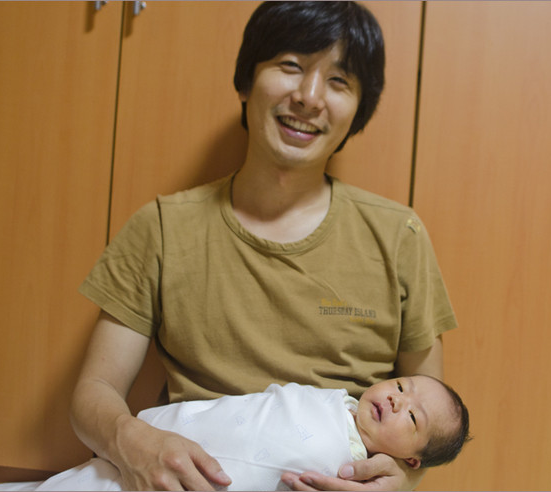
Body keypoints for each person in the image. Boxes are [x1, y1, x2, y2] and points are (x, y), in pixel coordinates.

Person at [70, 2, 458, 491]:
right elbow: (95, 390)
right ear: (245, 80)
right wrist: (133, 441)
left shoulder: (400, 236)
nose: (309, 97)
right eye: (290, 65)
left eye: (338, 81)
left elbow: (429, 418)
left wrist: (402, 484)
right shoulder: (162, 227)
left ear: (359, 111)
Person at [34, 376, 469, 491]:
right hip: (153, 444)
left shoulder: (348, 467)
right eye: (400, 387)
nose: (396, 400)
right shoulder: (334, 402)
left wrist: (405, 482)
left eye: (413, 419)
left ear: (412, 458)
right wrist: (129, 436)